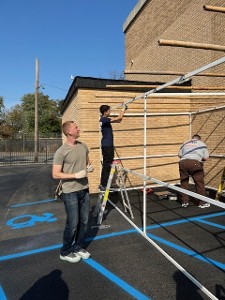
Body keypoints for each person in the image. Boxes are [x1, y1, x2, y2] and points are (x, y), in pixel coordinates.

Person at [52, 121, 94, 263]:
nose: (79, 128)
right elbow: (56, 174)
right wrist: (76, 175)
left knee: (84, 221)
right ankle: (65, 251)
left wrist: (89, 167)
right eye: (76, 127)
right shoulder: (61, 151)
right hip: (70, 192)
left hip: (84, 189)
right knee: (73, 223)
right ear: (69, 132)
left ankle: (78, 247)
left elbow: (87, 162)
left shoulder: (83, 146)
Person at [99, 104, 127, 191]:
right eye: (109, 111)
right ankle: (104, 184)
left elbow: (119, 121)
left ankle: (104, 183)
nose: (110, 112)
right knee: (107, 165)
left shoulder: (105, 120)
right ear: (105, 112)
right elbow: (119, 118)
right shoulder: (104, 119)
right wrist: (123, 109)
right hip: (107, 145)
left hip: (107, 145)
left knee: (107, 164)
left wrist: (122, 113)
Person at [178, 134, 210, 208]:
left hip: (183, 162)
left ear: (192, 139)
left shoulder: (185, 143)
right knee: (199, 183)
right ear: (199, 139)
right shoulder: (202, 144)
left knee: (184, 182)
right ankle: (201, 203)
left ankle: (184, 202)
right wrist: (198, 158)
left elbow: (179, 155)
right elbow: (206, 158)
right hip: (195, 163)